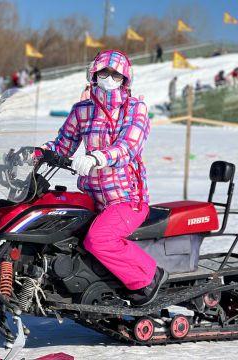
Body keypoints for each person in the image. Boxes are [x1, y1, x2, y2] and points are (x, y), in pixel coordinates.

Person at [43, 50, 167, 306]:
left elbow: (128, 146)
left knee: (100, 239)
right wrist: (38, 154)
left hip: (126, 199)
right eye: (104, 72)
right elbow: (62, 145)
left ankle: (148, 277)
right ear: (94, 75)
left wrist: (97, 158)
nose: (109, 78)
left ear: (125, 80)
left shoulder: (135, 109)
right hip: (92, 197)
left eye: (115, 75)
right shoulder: (82, 111)